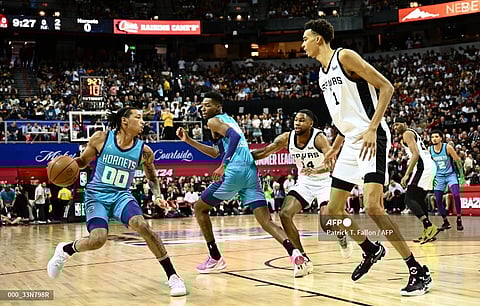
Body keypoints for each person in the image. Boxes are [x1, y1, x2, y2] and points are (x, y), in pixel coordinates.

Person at [302, 19, 431, 296]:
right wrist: (335, 147)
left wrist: (373, 127)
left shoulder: (344, 57)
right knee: (333, 213)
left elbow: (387, 87)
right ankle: (370, 248)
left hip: (372, 137)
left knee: (373, 207)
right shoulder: (322, 75)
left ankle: (417, 269)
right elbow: (342, 118)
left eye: (305, 39)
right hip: (349, 142)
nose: (302, 45)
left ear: (319, 40)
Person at [47, 107, 186, 297]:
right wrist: (62, 164)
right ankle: (65, 249)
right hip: (96, 195)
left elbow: (152, 178)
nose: (143, 121)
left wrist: (158, 196)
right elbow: (81, 162)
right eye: (138, 117)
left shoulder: (144, 151)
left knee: (142, 225)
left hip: (121, 195)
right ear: (124, 121)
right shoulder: (101, 138)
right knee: (98, 240)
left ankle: (173, 276)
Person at [176, 91, 305, 274]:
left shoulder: (213, 121)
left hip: (234, 171)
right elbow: (215, 152)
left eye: (207, 105)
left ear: (218, 107)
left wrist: (224, 165)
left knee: (199, 208)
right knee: (266, 221)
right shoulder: (227, 119)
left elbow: (235, 138)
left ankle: (215, 257)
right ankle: (296, 255)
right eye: (202, 106)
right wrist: (188, 140)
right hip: (250, 171)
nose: (203, 109)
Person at [251, 109, 353, 278]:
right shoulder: (286, 137)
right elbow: (264, 152)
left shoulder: (319, 138)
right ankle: (302, 259)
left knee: (327, 225)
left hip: (324, 181)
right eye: (296, 120)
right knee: (284, 213)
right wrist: (242, 156)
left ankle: (341, 236)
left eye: (301, 120)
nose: (297, 123)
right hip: (305, 182)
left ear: (310, 123)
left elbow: (331, 164)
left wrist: (316, 169)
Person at [393, 119, 440, 244]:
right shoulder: (411, 133)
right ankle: (428, 231)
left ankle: (429, 226)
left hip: (422, 167)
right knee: (419, 199)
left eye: (398, 124)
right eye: (394, 125)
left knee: (409, 199)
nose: (395, 127)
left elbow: (415, 154)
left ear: (405, 124)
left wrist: (406, 175)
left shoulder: (407, 133)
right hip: (429, 166)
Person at [429, 130, 465, 231]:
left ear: (441, 138)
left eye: (436, 136)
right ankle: (445, 221)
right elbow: (429, 166)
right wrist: (431, 178)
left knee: (456, 195)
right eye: (432, 137)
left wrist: (461, 176)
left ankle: (458, 219)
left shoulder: (447, 147)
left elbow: (457, 160)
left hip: (450, 175)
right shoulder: (430, 150)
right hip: (439, 177)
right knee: (438, 200)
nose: (434, 139)